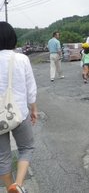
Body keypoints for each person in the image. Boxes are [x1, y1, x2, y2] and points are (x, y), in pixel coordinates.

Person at [0, 21, 38, 193]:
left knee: (2, 157)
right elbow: (31, 88)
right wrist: (34, 109)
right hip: (19, 112)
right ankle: (19, 185)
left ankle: (10, 188)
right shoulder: (22, 59)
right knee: (26, 147)